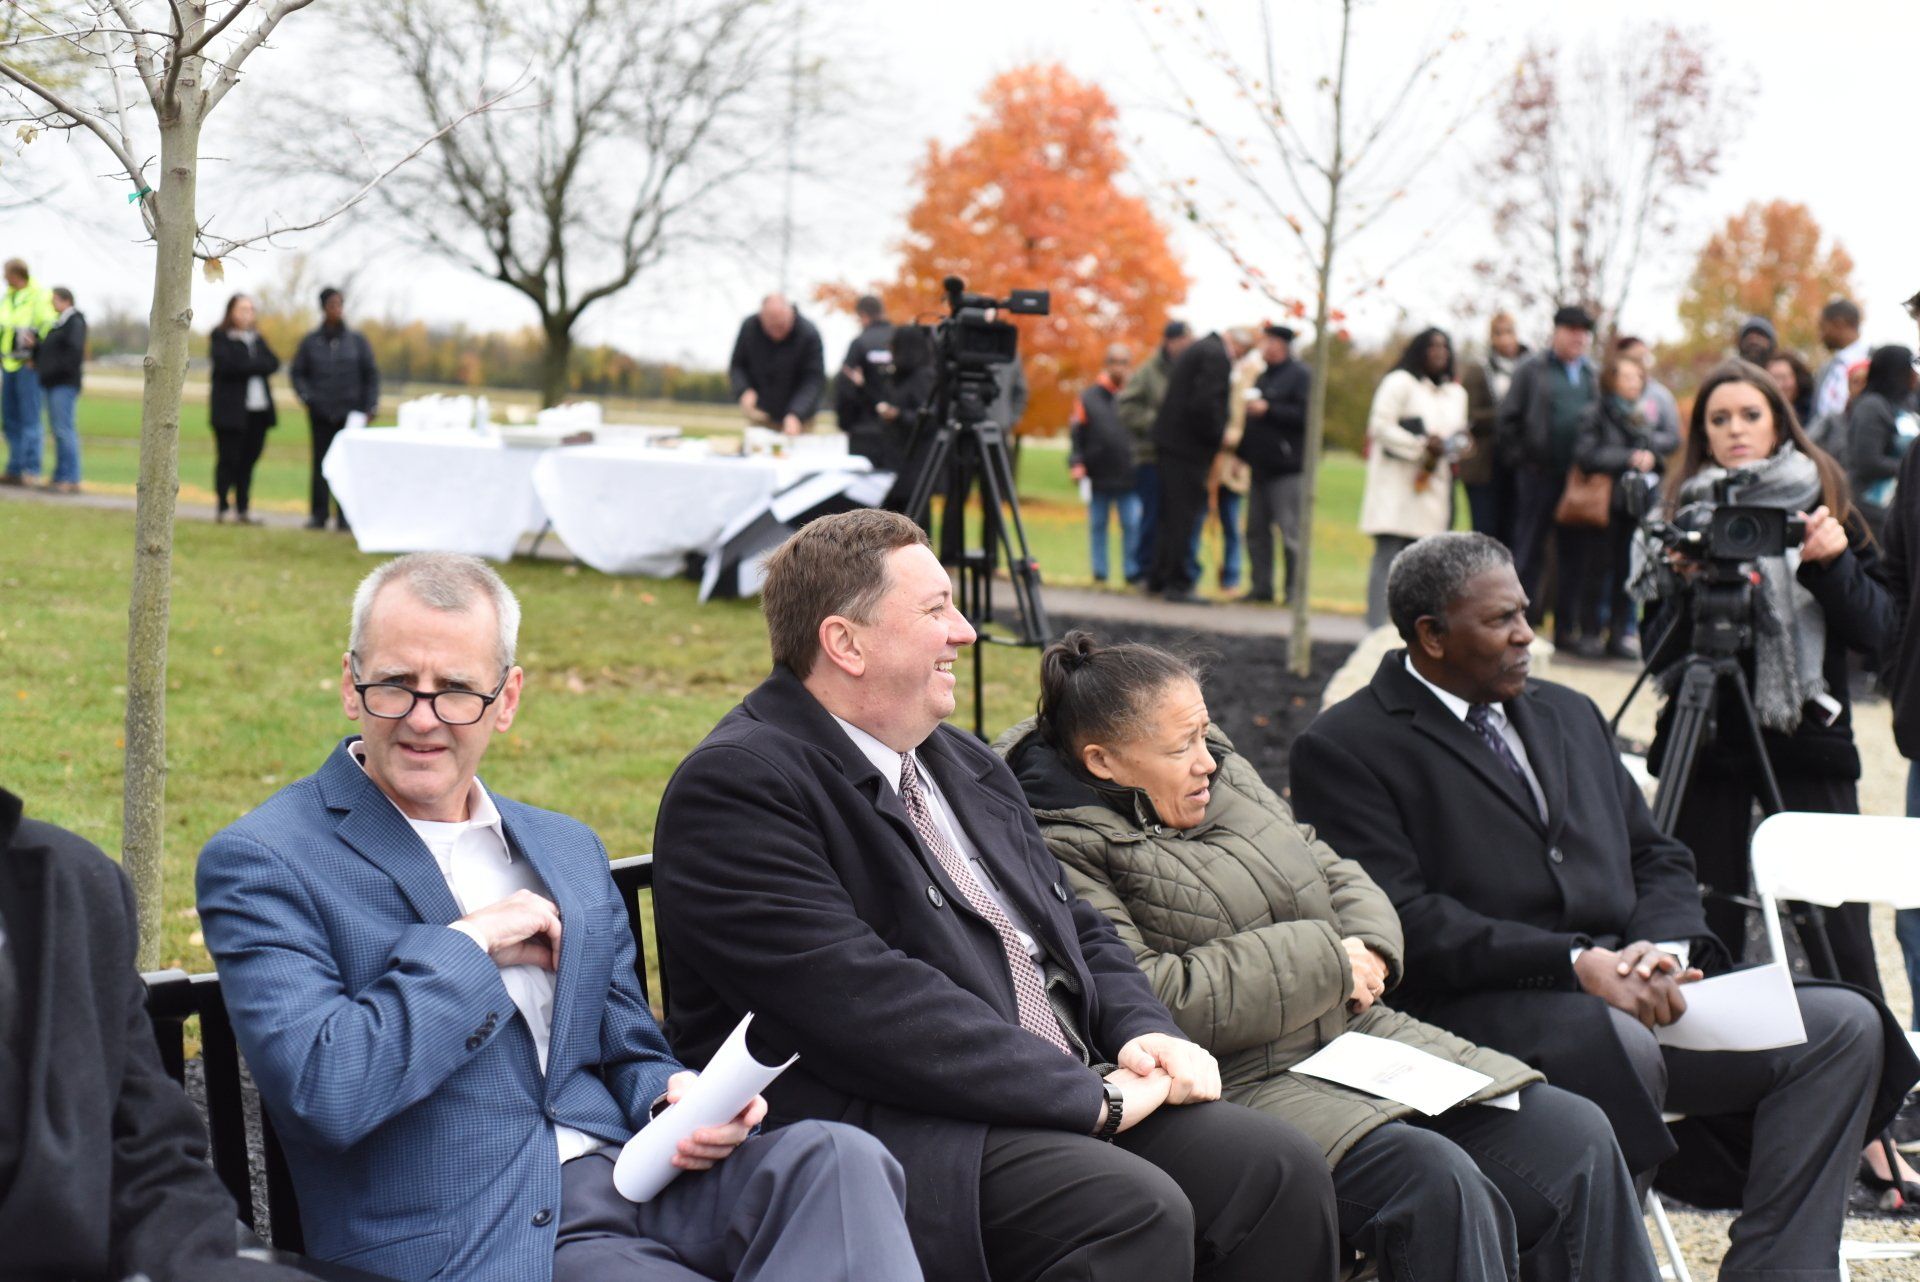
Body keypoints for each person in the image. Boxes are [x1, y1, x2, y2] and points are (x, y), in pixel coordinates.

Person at [653, 510, 1341, 1282]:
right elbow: (864, 1006)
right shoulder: (741, 786)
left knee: (1276, 1169)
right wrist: (1084, 1097)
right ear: (845, 643)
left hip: (1045, 1087)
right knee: (1131, 1210)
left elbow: (1070, 919)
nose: (967, 631)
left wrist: (1143, 1029)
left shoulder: (956, 758)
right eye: (935, 609)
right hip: (898, 1122)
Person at [196, 553, 920, 1282]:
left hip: (639, 1180)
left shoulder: (562, 847)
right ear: (352, 684)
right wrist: (473, 945)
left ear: (505, 699)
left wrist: (672, 1096)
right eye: (394, 685)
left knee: (838, 1160)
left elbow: (627, 1046)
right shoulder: (267, 860)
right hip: (483, 1233)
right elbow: (328, 1090)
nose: (423, 718)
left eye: (455, 690)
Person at [997, 632, 1657, 1282]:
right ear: (1103, 761)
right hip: (1248, 1078)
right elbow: (1157, 998)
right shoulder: (1061, 844)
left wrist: (1367, 947)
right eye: (1181, 746)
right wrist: (1329, 961)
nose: (1207, 762)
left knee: (1577, 1136)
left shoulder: (1219, 773)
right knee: (1438, 1183)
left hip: (1355, 1035)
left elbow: (1330, 866)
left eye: (1205, 732)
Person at [1631, 360, 1894, 1003]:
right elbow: (1654, 654)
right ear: (1702, 433)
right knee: (1700, 918)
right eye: (1719, 419)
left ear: (1780, 422)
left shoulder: (1825, 504)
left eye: (1751, 415)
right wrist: (1685, 581)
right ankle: (1706, 1069)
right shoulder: (1681, 512)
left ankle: (1851, 1065)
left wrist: (1830, 566)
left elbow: (1880, 634)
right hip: (1707, 751)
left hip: (1804, 751)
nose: (1735, 430)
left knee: (1828, 929)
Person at [0, 789, 314, 1281]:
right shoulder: (265, 859)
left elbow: (150, 1160)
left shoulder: (72, 883)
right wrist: (462, 948)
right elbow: (329, 1090)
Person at [1570, 350, 1677, 660]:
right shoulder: (1595, 413)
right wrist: (1627, 458)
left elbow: (1659, 456)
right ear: (1611, 380)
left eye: (1638, 378)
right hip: (1604, 506)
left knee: (1627, 571)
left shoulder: (1641, 415)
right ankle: (1589, 632)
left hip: (1636, 504)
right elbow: (1586, 455)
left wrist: (1650, 459)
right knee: (1595, 570)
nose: (1634, 383)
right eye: (1627, 377)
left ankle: (1619, 634)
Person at [1497, 305, 1597, 633]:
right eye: (1571, 330)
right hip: (1537, 475)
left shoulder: (1591, 375)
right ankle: (1519, 624)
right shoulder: (1532, 369)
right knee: (1528, 551)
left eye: (1583, 331)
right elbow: (1507, 419)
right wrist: (1523, 460)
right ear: (1556, 331)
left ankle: (1566, 630)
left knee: (1575, 557)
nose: (1577, 337)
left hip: (1578, 482)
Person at [1360, 328, 1467, 629]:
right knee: (1388, 557)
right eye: (1432, 346)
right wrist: (1419, 445)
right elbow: (1379, 426)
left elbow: (1457, 434)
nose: (1438, 352)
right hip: (1396, 486)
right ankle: (1376, 628)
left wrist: (1455, 444)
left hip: (1432, 488)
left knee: (1424, 564)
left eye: (1444, 347)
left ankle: (1412, 631)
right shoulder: (1399, 382)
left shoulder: (1455, 394)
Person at [1148, 328, 1249, 603]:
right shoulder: (1216, 356)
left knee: (1169, 515)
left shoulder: (1200, 348)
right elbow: (1205, 403)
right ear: (1236, 345)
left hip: (1172, 444)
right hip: (1187, 448)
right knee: (1183, 516)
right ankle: (1178, 583)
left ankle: (1159, 576)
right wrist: (1220, 436)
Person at [290, 287, 379, 531]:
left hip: (350, 414)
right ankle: (318, 515)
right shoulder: (311, 342)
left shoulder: (357, 342)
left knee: (348, 466)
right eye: (332, 305)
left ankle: (345, 516)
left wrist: (370, 405)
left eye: (339, 304)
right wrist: (308, 398)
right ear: (323, 308)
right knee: (321, 464)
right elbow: (298, 373)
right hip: (321, 414)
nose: (336, 309)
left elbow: (370, 374)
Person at [1237, 323, 1311, 603]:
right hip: (1260, 467)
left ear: (1282, 345)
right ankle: (1261, 588)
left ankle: (1293, 593)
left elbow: (1305, 416)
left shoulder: (1301, 375)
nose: (1264, 347)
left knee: (1291, 535)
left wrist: (1270, 409)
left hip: (1287, 468)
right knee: (1256, 531)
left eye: (1269, 342)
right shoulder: (1262, 377)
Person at [1117, 320, 1193, 584]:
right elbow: (1126, 406)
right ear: (1170, 341)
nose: (1186, 346)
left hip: (1176, 456)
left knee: (1173, 518)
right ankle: (1143, 570)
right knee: (1150, 515)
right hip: (1150, 456)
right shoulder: (1149, 371)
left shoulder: (1185, 370)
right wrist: (1158, 423)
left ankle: (1165, 571)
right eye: (1182, 341)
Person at [1068, 343, 1140, 583]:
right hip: (1098, 474)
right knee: (1098, 525)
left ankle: (1132, 572)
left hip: (1130, 474)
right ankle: (1100, 573)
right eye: (1115, 362)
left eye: (1124, 362)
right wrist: (1077, 463)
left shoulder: (1136, 395)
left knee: (1132, 525)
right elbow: (1077, 434)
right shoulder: (1088, 397)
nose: (1119, 367)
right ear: (1107, 365)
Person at [208, 294, 281, 525]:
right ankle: (222, 506)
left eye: (250, 309)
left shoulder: (257, 339)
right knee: (228, 459)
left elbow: (273, 363)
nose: (247, 313)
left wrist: (250, 365)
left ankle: (243, 508)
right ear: (231, 311)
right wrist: (254, 366)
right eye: (242, 309)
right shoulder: (221, 337)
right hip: (230, 413)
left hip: (257, 411)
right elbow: (228, 366)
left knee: (249, 460)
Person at [1459, 314, 1527, 542]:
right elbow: (1469, 415)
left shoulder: (1530, 369)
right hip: (1485, 463)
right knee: (1485, 531)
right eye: (1499, 333)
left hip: (1518, 461)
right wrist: (1505, 415)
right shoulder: (1479, 369)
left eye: (1509, 332)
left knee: (1515, 530)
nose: (1505, 339)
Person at [1846, 345, 1920, 540]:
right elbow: (1868, 461)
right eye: (1910, 368)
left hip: (1900, 504)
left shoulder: (1906, 404)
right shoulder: (1871, 406)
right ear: (1895, 372)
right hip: (1873, 509)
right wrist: (1912, 467)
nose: (1915, 374)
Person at [728, 294, 826, 436]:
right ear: (761, 318)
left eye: (781, 326)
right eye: (771, 327)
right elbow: (737, 366)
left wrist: (796, 413)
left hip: (799, 420)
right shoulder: (749, 328)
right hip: (761, 416)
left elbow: (813, 380)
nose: (776, 333)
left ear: (791, 315)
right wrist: (744, 390)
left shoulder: (809, 334)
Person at [0, 258, 56, 486]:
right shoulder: (8, 297)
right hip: (8, 365)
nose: (4, 278)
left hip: (27, 365)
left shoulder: (38, 295)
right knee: (10, 419)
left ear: (17, 274)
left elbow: (49, 324)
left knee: (30, 418)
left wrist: (37, 352)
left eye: (7, 273)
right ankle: (14, 468)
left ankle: (31, 469)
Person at [832, 294, 899, 468]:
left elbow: (845, 387)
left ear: (863, 316)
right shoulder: (900, 340)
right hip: (898, 431)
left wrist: (845, 423)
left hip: (863, 429)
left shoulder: (859, 343)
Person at [34, 285, 86, 493]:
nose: (51, 304)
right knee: (58, 431)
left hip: (63, 383)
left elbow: (72, 353)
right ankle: (59, 476)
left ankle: (70, 478)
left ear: (65, 300)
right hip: (53, 383)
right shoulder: (60, 324)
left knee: (64, 431)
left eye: (54, 299)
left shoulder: (74, 322)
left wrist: (55, 371)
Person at [1614, 335, 1682, 444]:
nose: (1639, 364)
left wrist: (1641, 442)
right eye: (1632, 359)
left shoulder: (1660, 395)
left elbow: (1673, 438)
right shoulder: (1606, 396)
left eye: (1643, 358)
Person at [1814, 297, 1870, 423]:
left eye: (1823, 327)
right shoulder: (1825, 370)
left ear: (1839, 324)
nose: (1820, 335)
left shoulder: (1875, 362)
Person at [1767, 349, 1817, 432]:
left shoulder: (1813, 411)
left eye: (1783, 377)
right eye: (1773, 378)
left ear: (1798, 379)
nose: (1779, 385)